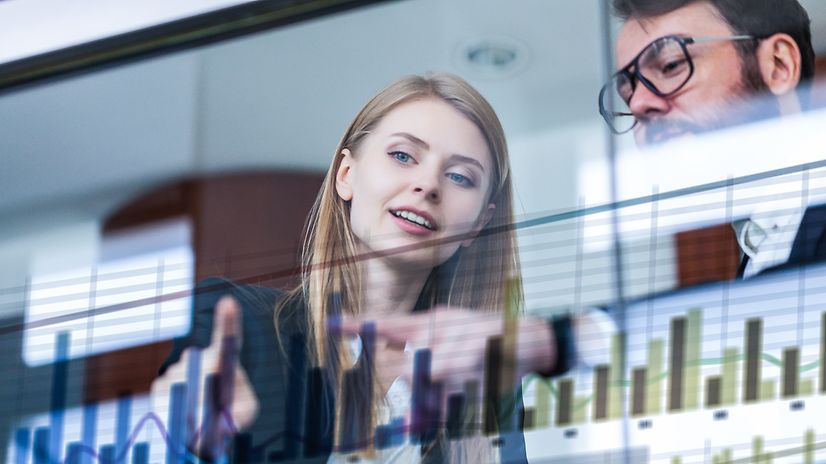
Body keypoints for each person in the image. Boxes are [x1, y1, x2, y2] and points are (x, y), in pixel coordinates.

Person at [151, 73, 567, 463]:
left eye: (459, 177)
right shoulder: (241, 324)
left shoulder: (487, 390)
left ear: (479, 223)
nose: (428, 185)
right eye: (403, 155)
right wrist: (194, 447)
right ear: (346, 175)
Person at [599, 0, 826, 277]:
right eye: (628, 94)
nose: (638, 104)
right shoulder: (759, 249)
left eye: (671, 65)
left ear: (778, 65)